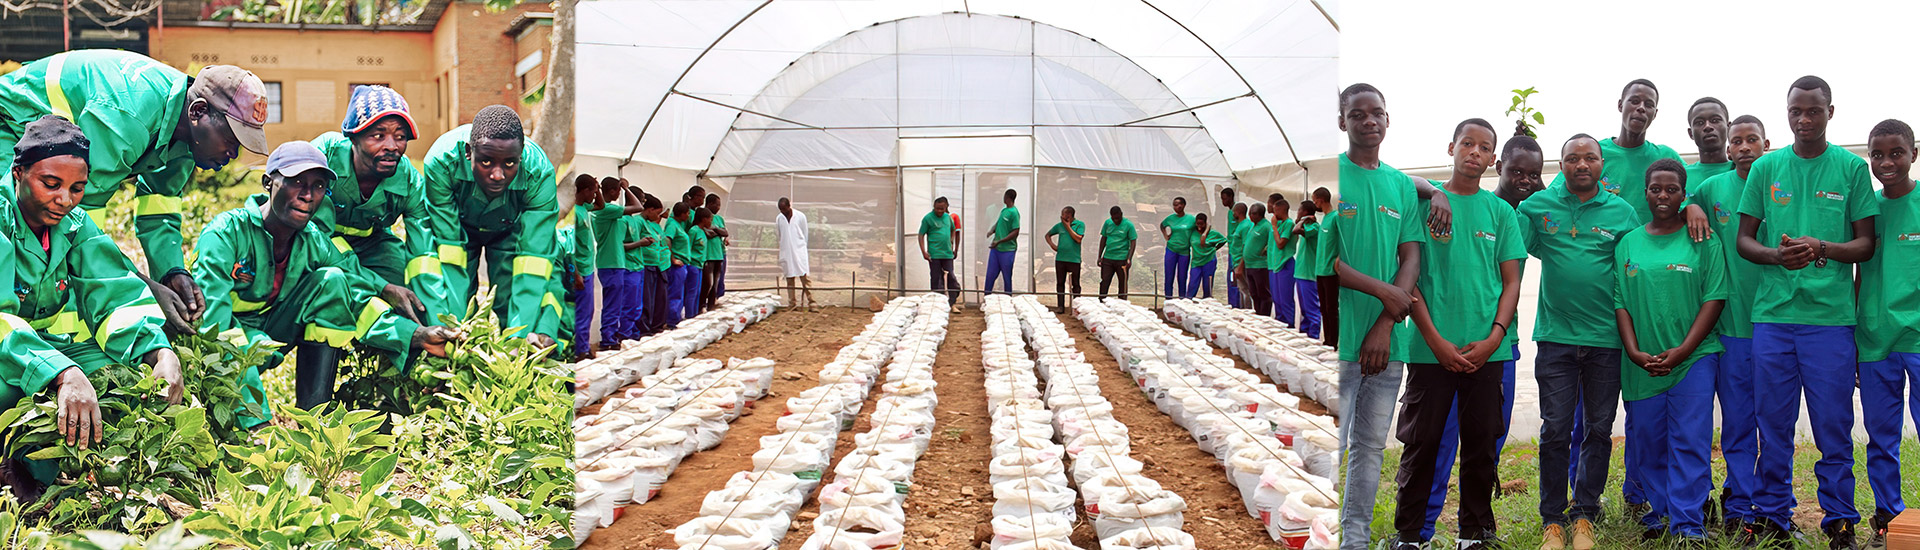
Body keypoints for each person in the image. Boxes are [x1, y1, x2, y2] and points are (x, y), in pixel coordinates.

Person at [0, 50, 273, 334]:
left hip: (51, 146)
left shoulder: (185, 137)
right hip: (9, 128)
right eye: (230, 139)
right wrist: (144, 287)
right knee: (34, 239)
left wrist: (171, 274)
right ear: (198, 112)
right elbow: (78, 227)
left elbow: (158, 213)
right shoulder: (127, 114)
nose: (233, 152)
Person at [194, 141, 461, 414]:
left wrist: (417, 335)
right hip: (211, 352)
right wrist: (256, 418)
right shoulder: (225, 235)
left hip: (269, 334)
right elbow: (216, 328)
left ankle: (314, 418)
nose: (308, 195)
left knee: (332, 280)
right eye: (296, 181)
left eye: (319, 186)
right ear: (268, 182)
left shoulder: (313, 241)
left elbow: (356, 295)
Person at [0, 115, 184, 498]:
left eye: (77, 188)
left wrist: (158, 351)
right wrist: (62, 372)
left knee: (120, 377)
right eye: (50, 184)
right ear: (18, 173)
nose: (65, 200)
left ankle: (42, 469)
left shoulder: (74, 225)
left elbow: (114, 295)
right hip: (11, 348)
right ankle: (10, 468)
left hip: (36, 346)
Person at [1736, 76, 1878, 549]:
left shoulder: (1852, 169)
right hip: (1773, 319)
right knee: (1772, 425)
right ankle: (1774, 516)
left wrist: (1823, 247)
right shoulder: (1766, 168)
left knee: (1833, 426)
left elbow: (1865, 244)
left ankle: (1839, 519)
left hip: (1830, 322)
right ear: (1787, 112)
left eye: (1814, 111)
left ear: (1830, 113)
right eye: (1796, 110)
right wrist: (1777, 256)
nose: (1804, 119)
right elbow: (1745, 240)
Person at [1390, 118, 1523, 550]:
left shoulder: (1500, 213)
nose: (1474, 153)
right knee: (1423, 444)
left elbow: (1511, 283)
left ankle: (1475, 534)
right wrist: (1432, 338)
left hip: (1487, 350)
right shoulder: (1423, 203)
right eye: (1467, 143)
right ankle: (1410, 536)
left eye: (1485, 148)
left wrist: (1494, 337)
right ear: (1451, 148)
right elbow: (1411, 277)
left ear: (1493, 160)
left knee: (1482, 447)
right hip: (1431, 350)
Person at [1417, 133, 1547, 542]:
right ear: (1498, 167)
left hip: (1499, 345)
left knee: (1486, 438)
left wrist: (1496, 336)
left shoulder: (1532, 214)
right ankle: (1421, 524)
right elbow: (1403, 183)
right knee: (1437, 440)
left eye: (1533, 174)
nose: (1524, 180)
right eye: (1516, 171)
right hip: (1446, 341)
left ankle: (1476, 526)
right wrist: (1433, 191)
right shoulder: (1455, 204)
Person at [1521, 134, 1640, 550]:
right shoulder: (1537, 208)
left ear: (1602, 163)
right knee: (1555, 430)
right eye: (1573, 158)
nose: (1582, 164)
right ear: (1562, 164)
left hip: (1606, 340)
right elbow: (1514, 243)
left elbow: (1633, 268)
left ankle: (1584, 513)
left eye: (1590, 157)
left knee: (1599, 429)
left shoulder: (1623, 212)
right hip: (1555, 339)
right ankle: (1552, 520)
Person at [1324, 84, 1428, 550]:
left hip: (1388, 344)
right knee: (1334, 446)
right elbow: (1330, 264)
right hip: (1343, 341)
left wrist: (1386, 322)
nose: (1369, 121)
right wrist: (1384, 291)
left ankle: (1356, 540)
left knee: (1369, 449)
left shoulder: (1401, 185)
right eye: (1358, 114)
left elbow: (1411, 257)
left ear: (1388, 121)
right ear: (1342, 121)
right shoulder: (1331, 177)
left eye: (1378, 114)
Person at [1614, 159, 1727, 545]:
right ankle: (1660, 513)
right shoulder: (1629, 242)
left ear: (1684, 194)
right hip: (1641, 361)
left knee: (1690, 439)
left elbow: (1714, 298)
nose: (1663, 196)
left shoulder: (1703, 238)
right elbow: (1621, 302)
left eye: (1672, 189)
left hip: (1694, 358)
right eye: (1655, 189)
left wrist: (1683, 350)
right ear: (1645, 192)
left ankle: (1688, 524)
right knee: (1647, 439)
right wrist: (1632, 350)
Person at [1682, 114, 1768, 534]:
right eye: (1739, 141)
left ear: (1766, 145)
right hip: (1728, 328)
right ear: (1729, 149)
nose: (1745, 147)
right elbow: (1680, 202)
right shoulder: (1713, 188)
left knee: (1765, 422)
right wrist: (1691, 204)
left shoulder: (1777, 179)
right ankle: (1729, 504)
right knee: (1731, 424)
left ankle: (1759, 502)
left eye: (1753, 139)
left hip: (1772, 323)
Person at [422, 105, 559, 349]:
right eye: (485, 161)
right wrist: (453, 329)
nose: (498, 175)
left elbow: (534, 257)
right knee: (459, 299)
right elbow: (448, 249)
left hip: (510, 232)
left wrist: (521, 335)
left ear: (522, 154)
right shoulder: (441, 162)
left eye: (509, 163)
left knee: (509, 302)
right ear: (467, 152)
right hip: (458, 229)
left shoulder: (539, 173)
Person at [309, 86, 443, 326]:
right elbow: (316, 238)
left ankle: (405, 350)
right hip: (316, 244)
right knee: (333, 283)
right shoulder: (324, 156)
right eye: (378, 136)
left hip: (373, 244)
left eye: (400, 137)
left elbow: (424, 252)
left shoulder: (410, 180)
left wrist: (436, 321)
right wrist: (381, 286)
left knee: (410, 290)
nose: (392, 146)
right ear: (353, 137)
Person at [1859, 119, 1920, 547]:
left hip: (1917, 340)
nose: (1887, 162)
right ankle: (1888, 519)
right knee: (1881, 437)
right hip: (1874, 341)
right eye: (1877, 154)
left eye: (1896, 152)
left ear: (1913, 154)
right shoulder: (1868, 211)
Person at [1545, 79, 1684, 226]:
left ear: (1654, 114)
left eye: (1649, 105)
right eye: (1634, 101)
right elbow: (1553, 197)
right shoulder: (1592, 154)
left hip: (1649, 245)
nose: (1641, 108)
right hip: (1600, 245)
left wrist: (1693, 208)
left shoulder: (1666, 158)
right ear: (1620, 105)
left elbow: (1696, 194)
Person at [568, 176, 602, 361]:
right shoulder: (573, 212)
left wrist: (599, 188)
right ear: (584, 190)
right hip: (580, 270)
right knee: (582, 313)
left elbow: (601, 206)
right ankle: (581, 351)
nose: (596, 195)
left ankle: (583, 347)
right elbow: (568, 247)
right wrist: (576, 273)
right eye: (593, 191)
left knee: (588, 312)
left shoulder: (584, 208)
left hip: (588, 268)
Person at [619, 203, 655, 340]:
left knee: (636, 305)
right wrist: (640, 243)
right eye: (640, 200)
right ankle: (624, 335)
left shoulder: (633, 221)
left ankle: (634, 333)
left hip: (638, 266)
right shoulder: (622, 220)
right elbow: (619, 245)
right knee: (629, 305)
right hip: (629, 267)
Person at [919, 197, 961, 310]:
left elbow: (954, 229)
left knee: (951, 277)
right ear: (934, 207)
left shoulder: (948, 218)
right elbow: (921, 235)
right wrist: (924, 251)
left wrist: (951, 241)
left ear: (946, 207)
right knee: (936, 279)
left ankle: (952, 302)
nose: (939, 211)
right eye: (937, 208)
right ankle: (936, 304)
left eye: (942, 208)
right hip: (934, 254)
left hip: (947, 254)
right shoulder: (928, 218)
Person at [637, 195, 671, 333]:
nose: (659, 216)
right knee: (646, 299)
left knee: (657, 299)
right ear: (649, 210)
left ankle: (655, 325)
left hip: (658, 264)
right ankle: (644, 328)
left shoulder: (652, 224)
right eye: (657, 213)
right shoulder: (638, 222)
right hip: (646, 264)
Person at [1311, 187, 1340, 346]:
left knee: (1331, 309)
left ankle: (1334, 342)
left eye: (1314, 200)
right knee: (1324, 309)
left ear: (1320, 200)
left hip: (1331, 272)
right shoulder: (1324, 219)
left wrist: (1339, 259)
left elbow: (1346, 240)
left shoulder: (1336, 217)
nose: (1314, 203)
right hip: (1320, 271)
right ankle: (1327, 340)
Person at [774, 197, 815, 311]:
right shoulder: (779, 218)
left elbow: (805, 233)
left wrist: (801, 246)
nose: (783, 211)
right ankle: (792, 304)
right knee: (789, 278)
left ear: (789, 206)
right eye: (781, 209)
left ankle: (812, 302)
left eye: (784, 209)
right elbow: (779, 235)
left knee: (805, 277)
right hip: (786, 251)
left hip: (799, 250)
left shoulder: (800, 216)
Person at [1685, 97, 1734, 188]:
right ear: (1691, 133)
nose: (1708, 126)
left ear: (1729, 128)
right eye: (1699, 122)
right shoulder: (1680, 177)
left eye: (1715, 120)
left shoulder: (1746, 173)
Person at [1291, 200, 1322, 338]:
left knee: (1312, 309)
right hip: (1301, 273)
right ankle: (1305, 334)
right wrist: (1302, 220)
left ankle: (1313, 335)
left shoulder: (1314, 227)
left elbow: (1295, 230)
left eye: (1299, 210)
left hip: (1309, 274)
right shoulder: (1307, 226)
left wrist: (1303, 221)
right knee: (1304, 308)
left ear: (1305, 213)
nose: (1297, 213)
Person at [1045, 206, 1086, 310]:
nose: (1061, 217)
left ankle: (1076, 307)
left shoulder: (1080, 225)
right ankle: (1060, 306)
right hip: (1061, 259)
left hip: (1074, 259)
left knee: (1075, 284)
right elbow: (1047, 235)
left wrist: (1067, 226)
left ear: (1069, 216)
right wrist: (1053, 246)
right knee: (1060, 283)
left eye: (1063, 215)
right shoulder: (1059, 226)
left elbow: (1078, 239)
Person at [1267, 194, 1297, 326]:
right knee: (1277, 299)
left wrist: (1274, 227)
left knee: (1285, 299)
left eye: (1276, 210)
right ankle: (1280, 324)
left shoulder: (1289, 224)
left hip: (1285, 264)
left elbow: (1280, 244)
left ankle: (1289, 326)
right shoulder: (1280, 223)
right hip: (1275, 265)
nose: (1274, 213)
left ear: (1282, 210)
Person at [1238, 203, 1272, 316]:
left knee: (1263, 294)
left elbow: (1272, 241)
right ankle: (1258, 314)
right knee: (1254, 293)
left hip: (1260, 265)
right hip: (1250, 265)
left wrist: (1266, 249)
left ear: (1260, 214)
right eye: (1250, 213)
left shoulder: (1266, 226)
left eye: (1253, 214)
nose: (1250, 216)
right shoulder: (1253, 226)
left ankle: (1264, 316)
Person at [1096, 206, 1137, 299]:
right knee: (1105, 281)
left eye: (1117, 218)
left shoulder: (1128, 225)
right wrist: (1099, 256)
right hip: (1108, 258)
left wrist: (1129, 258)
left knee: (1122, 283)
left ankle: (1122, 303)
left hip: (1122, 258)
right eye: (1113, 218)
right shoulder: (1107, 223)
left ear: (1121, 215)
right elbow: (1103, 239)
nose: (1115, 221)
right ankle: (1102, 301)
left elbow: (1133, 242)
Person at [682, 207, 715, 320]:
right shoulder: (694, 231)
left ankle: (695, 313)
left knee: (697, 291)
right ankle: (689, 315)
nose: (711, 222)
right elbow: (688, 248)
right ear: (704, 219)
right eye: (710, 219)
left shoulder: (703, 231)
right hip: (693, 265)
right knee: (691, 291)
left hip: (700, 265)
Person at [985, 189, 1020, 295]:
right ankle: (986, 296)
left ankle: (1008, 297)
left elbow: (1015, 231)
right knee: (990, 275)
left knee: (1006, 276)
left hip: (1007, 250)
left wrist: (1000, 241)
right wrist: (992, 230)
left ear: (1008, 198)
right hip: (996, 249)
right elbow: (999, 223)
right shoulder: (1004, 210)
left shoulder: (1014, 213)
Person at [665, 203, 695, 326]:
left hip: (683, 264)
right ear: (682, 214)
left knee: (680, 292)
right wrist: (673, 259)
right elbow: (667, 240)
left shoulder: (679, 224)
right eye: (687, 213)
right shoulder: (672, 224)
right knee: (675, 293)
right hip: (677, 265)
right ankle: (672, 320)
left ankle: (676, 317)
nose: (688, 216)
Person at [1185, 213, 1227, 299]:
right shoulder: (1192, 233)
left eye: (1202, 224)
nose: (1199, 226)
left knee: (1207, 284)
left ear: (1205, 223)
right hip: (1196, 261)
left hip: (1209, 260)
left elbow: (1223, 240)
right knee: (1193, 283)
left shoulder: (1212, 233)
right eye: (1198, 224)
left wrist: (1214, 249)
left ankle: (1207, 301)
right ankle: (1189, 300)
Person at [1161, 196, 1195, 298]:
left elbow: (1202, 226)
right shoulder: (1170, 218)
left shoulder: (1191, 219)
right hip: (1171, 249)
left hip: (1184, 251)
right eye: (1174, 205)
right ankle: (1168, 299)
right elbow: (1162, 225)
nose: (1176, 207)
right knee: (1169, 276)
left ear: (1184, 205)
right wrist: (1166, 235)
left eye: (1178, 204)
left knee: (1182, 277)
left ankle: (1182, 299)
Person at [702, 194, 730, 310]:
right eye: (717, 204)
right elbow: (708, 233)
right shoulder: (703, 215)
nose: (718, 207)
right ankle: (702, 304)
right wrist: (718, 232)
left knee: (717, 281)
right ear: (710, 204)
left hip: (719, 253)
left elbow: (725, 232)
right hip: (708, 254)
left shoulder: (719, 219)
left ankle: (713, 302)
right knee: (708, 282)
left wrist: (716, 230)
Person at [1227, 202, 1250, 308]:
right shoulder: (1240, 225)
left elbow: (1246, 246)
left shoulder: (1245, 225)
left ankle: (1249, 312)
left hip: (1241, 262)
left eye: (1234, 212)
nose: (1233, 214)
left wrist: (1241, 266)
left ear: (1238, 212)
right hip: (1236, 261)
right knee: (1241, 289)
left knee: (1246, 290)